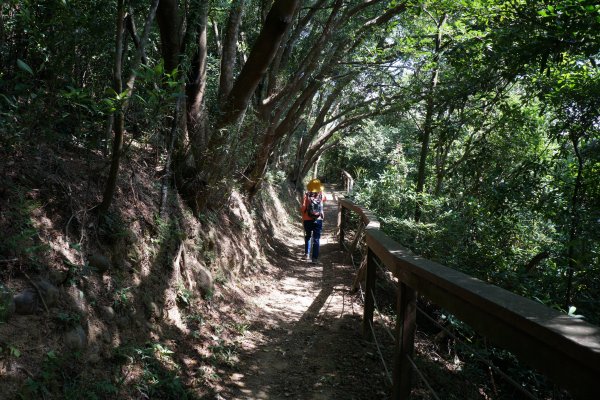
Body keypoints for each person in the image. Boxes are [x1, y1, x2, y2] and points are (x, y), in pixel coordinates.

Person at [300, 178, 327, 263]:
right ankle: (314, 258)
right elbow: (325, 200)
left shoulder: (306, 195)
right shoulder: (321, 194)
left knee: (308, 236)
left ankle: (307, 254)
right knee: (316, 238)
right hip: (318, 219)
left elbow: (303, 207)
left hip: (307, 219)